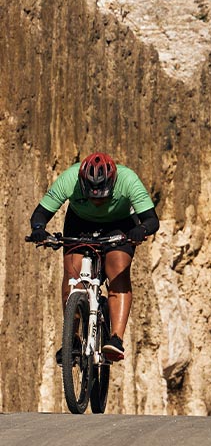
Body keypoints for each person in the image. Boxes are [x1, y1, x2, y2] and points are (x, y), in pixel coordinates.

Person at [29, 152, 159, 363]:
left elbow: (152, 219)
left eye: (104, 197)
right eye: (92, 196)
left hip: (120, 224)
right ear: (82, 184)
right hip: (80, 223)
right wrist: (38, 229)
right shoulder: (70, 179)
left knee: (117, 269)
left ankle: (115, 338)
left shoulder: (128, 179)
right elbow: (40, 214)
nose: (98, 202)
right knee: (72, 274)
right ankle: (73, 339)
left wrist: (141, 229)